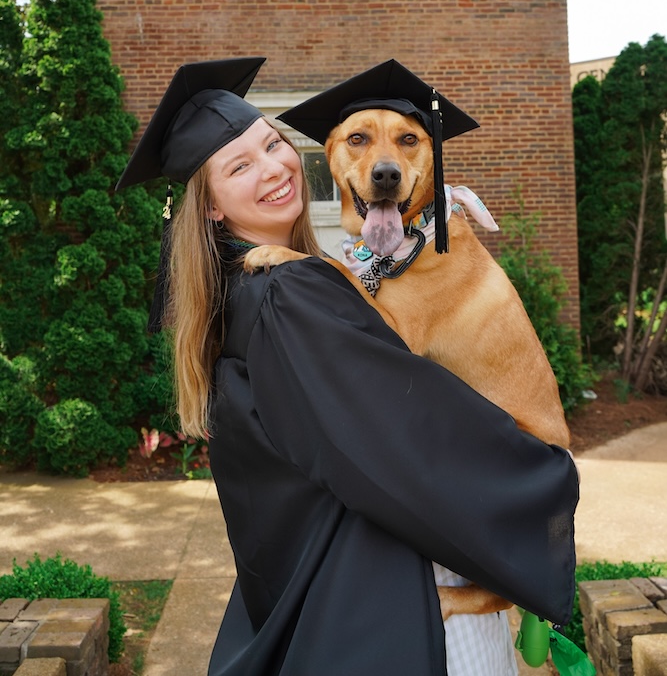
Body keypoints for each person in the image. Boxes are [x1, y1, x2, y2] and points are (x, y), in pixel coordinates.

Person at [116, 57, 579, 676]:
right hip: (410, 593)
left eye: (273, 144)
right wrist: (542, 484)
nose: (275, 167)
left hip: (334, 591)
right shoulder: (291, 290)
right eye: (239, 165)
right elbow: (397, 442)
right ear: (210, 208)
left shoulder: (243, 287)